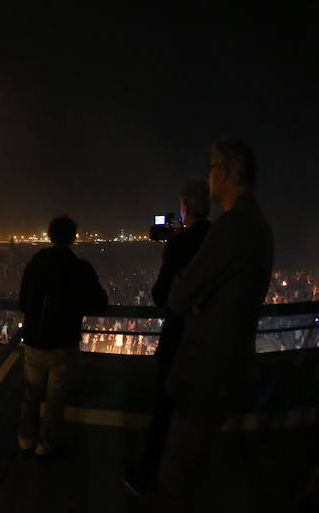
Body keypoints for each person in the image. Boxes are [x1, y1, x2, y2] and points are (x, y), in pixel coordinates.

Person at [158, 139, 273, 510]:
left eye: (211, 168)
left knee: (179, 467)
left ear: (222, 172)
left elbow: (177, 297)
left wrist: (185, 285)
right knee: (201, 465)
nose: (208, 175)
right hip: (232, 364)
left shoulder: (231, 227)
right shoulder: (260, 226)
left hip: (206, 370)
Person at [124, 179, 211, 496]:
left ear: (184, 209)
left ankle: (149, 475)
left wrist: (170, 256)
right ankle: (192, 480)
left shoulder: (179, 244)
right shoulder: (218, 240)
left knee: (164, 411)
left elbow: (161, 295)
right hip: (209, 342)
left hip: (178, 340)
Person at [17, 215, 108, 457]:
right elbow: (100, 301)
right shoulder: (80, 267)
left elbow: (23, 299)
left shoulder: (36, 262)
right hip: (63, 345)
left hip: (34, 341)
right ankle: (45, 446)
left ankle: (25, 440)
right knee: (55, 400)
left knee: (31, 395)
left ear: (49, 236)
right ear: (73, 238)